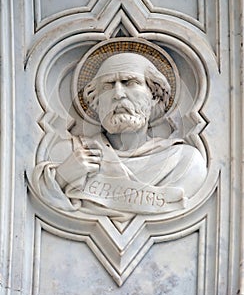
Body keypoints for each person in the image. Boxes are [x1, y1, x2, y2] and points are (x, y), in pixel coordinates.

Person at [33, 53, 207, 221]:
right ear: (96, 102)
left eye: (130, 82)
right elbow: (44, 199)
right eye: (108, 85)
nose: (118, 94)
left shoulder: (185, 162)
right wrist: (63, 176)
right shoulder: (67, 154)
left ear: (154, 95)